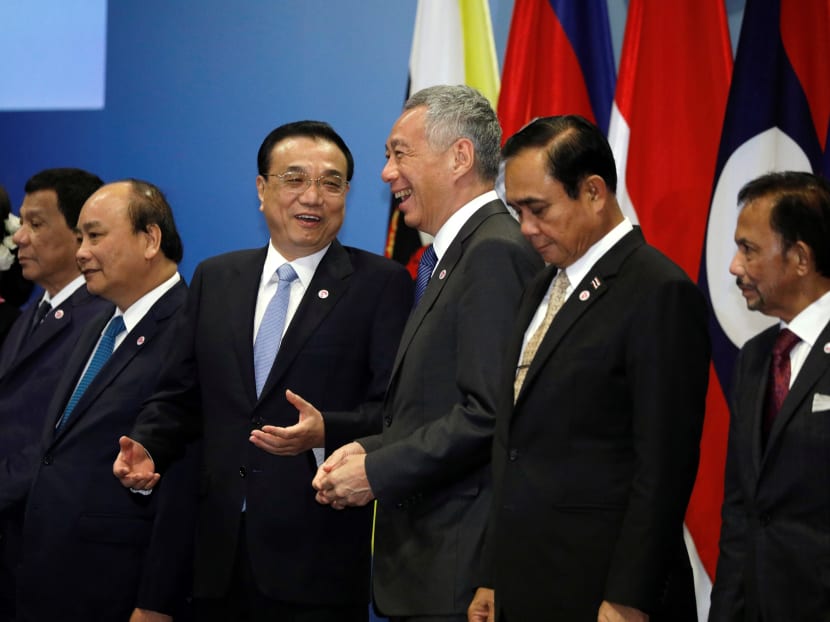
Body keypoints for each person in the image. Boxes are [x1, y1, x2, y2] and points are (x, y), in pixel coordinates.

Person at [113, 120, 413, 621]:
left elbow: (397, 411)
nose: (312, 197)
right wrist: (148, 443)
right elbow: (181, 394)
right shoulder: (217, 277)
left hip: (316, 562)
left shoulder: (380, 285)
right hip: (214, 557)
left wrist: (326, 432)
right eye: (294, 179)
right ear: (262, 189)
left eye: (331, 183)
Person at [312, 85, 542, 621]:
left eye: (399, 153)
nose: (386, 173)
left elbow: (488, 413)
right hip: (430, 566)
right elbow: (433, 404)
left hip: (459, 571)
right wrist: (367, 447)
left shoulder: (492, 253)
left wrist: (379, 468)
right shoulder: (449, 257)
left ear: (459, 156)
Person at [468, 115, 711, 622]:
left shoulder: (658, 291)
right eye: (516, 211)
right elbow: (513, 445)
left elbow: (663, 467)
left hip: (603, 590)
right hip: (525, 582)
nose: (527, 229)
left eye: (538, 209)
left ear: (595, 192)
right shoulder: (542, 284)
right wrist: (492, 573)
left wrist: (629, 596)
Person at [0, 179, 195, 621]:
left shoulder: (191, 327)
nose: (81, 252)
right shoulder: (98, 327)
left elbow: (187, 477)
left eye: (94, 236)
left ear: (149, 239)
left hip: (118, 589)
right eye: (80, 237)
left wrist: (156, 600)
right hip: (47, 577)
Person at [709, 171, 830, 622]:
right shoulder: (756, 358)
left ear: (800, 257)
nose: (734, 266)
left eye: (749, 249)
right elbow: (741, 510)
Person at [0, 168, 108, 620]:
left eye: (37, 224)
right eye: (20, 223)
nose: (19, 238)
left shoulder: (103, 318)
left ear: (80, 232)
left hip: (55, 550)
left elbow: (56, 439)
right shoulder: (28, 315)